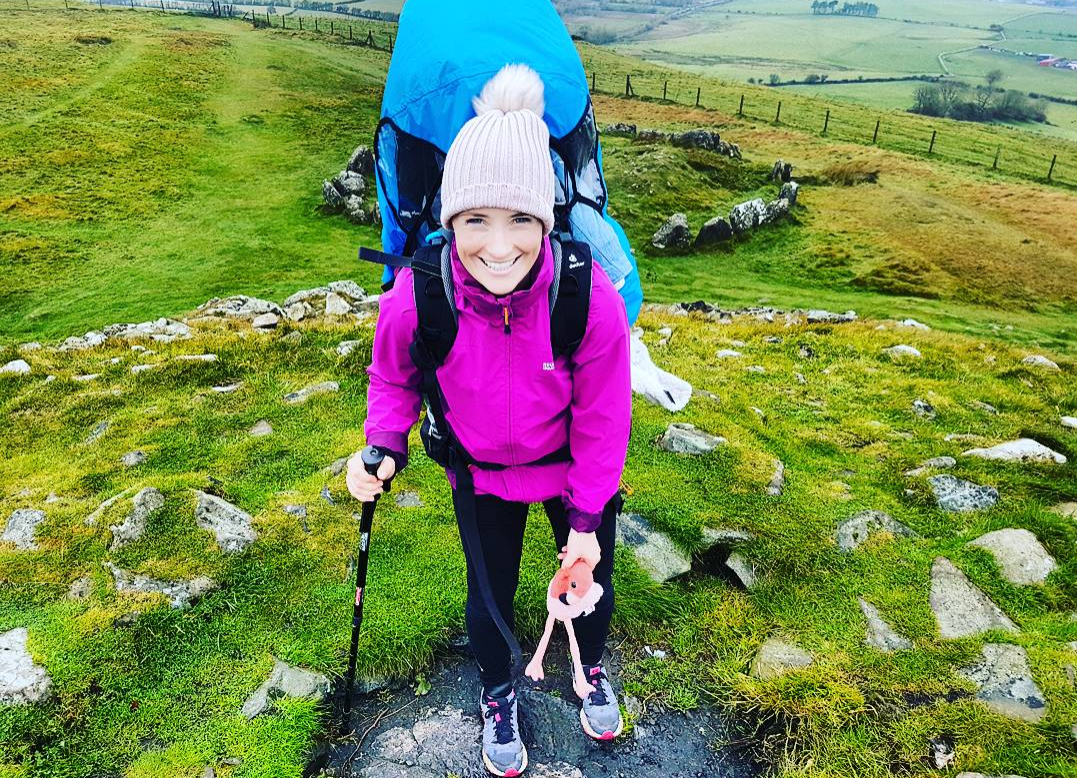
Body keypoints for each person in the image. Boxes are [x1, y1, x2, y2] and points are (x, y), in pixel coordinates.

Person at [347, 63, 631, 778]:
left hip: (572, 474)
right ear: (449, 220)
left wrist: (589, 523)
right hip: (478, 473)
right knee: (489, 595)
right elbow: (392, 374)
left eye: (519, 221)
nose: (497, 246)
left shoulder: (583, 294)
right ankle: (498, 690)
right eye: (474, 220)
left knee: (586, 583)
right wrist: (383, 442)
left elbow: (604, 415)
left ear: (545, 219)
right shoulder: (420, 292)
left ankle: (589, 667)